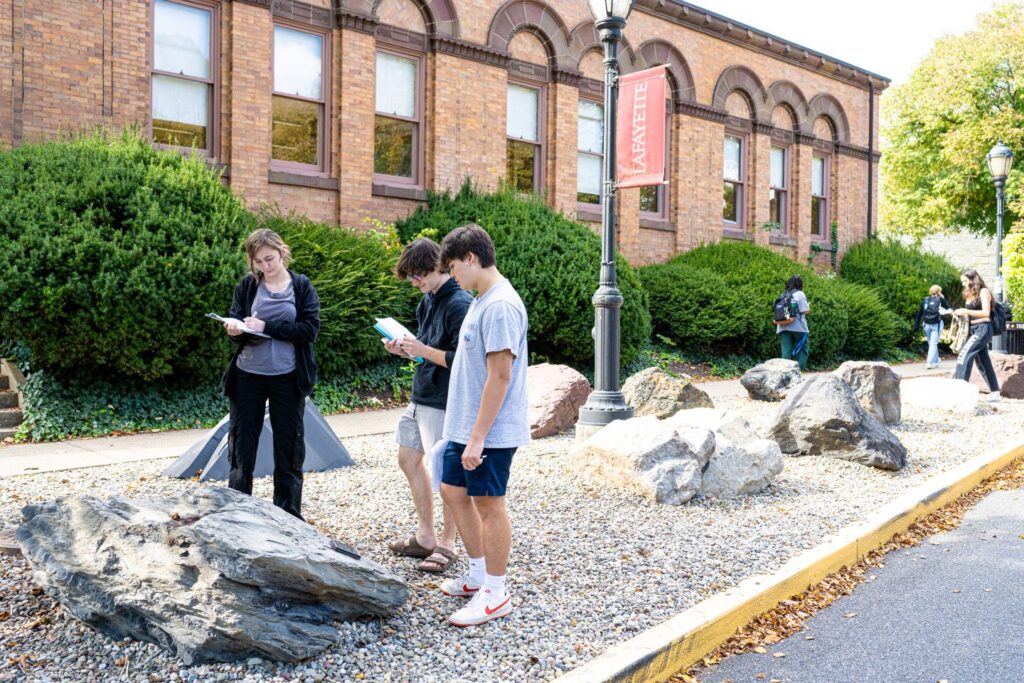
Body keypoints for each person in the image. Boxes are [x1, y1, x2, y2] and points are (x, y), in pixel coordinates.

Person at [436, 224, 529, 627]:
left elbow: (500, 376)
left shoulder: (500, 305)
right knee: (452, 490)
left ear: (471, 258)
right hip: (465, 427)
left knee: (490, 505)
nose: (453, 276)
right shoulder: (481, 299)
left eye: (454, 267)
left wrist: (478, 438)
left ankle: (496, 592)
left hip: (488, 432)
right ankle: (477, 575)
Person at [386, 238, 472, 574]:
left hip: (445, 399)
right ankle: (425, 536)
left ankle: (448, 543)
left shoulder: (459, 303)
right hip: (422, 394)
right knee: (408, 459)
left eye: (419, 274)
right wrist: (404, 350)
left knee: (445, 472)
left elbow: (463, 361)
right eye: (410, 276)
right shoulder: (428, 301)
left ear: (441, 266)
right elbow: (425, 349)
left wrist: (420, 349)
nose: (415, 282)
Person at [220, 228, 320, 519]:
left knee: (288, 447)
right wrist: (236, 330)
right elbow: (237, 319)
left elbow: (309, 330)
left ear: (282, 252)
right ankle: (238, 513)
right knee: (241, 445)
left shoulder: (301, 287)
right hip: (247, 375)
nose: (265, 266)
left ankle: (288, 515)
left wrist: (267, 327)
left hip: (288, 378)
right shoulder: (247, 286)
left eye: (269, 259)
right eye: (258, 262)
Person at [953, 269, 1000, 401]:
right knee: (983, 361)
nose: (963, 284)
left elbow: (986, 313)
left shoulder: (983, 292)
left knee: (964, 354)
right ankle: (995, 392)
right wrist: (959, 314)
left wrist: (965, 310)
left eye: (965, 281)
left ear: (973, 280)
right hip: (973, 329)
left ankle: (960, 390)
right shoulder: (969, 293)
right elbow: (969, 314)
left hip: (983, 328)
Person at [776, 275, 810, 370]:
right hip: (798, 327)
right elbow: (804, 310)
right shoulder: (800, 294)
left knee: (786, 351)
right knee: (803, 349)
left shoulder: (783, 294)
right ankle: (798, 372)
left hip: (782, 326)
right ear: (800, 284)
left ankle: (784, 372)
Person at [913, 285, 950, 369]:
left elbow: (919, 313)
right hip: (936, 325)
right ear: (939, 292)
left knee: (932, 343)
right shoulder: (941, 300)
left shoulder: (925, 300)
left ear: (930, 291)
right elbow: (948, 309)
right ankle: (929, 362)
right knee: (933, 344)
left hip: (926, 325)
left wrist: (916, 325)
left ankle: (936, 361)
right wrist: (943, 299)